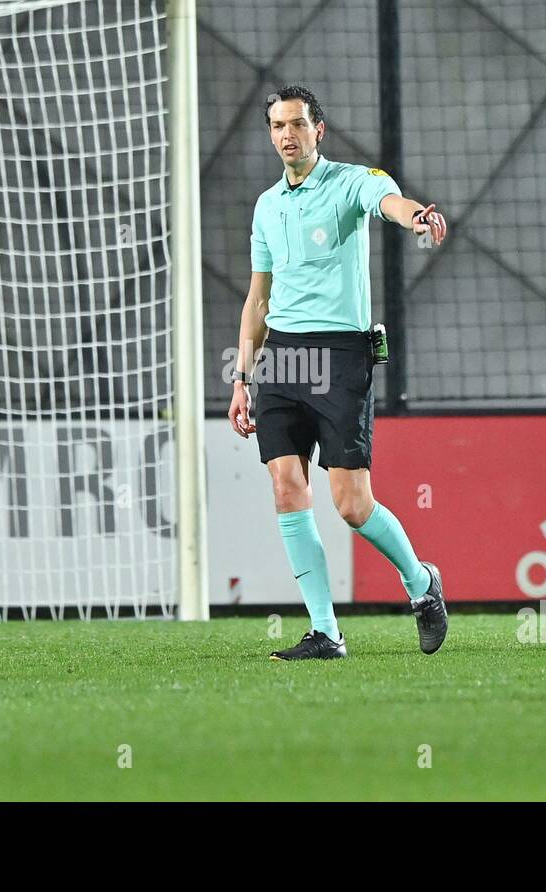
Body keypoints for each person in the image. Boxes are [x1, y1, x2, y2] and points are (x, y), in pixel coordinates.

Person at [228, 84, 451, 660]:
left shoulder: (350, 181)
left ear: (317, 130)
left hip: (339, 356)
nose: (286, 135)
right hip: (280, 356)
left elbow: (390, 202)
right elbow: (258, 298)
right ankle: (326, 631)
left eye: (296, 124)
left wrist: (417, 217)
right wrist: (241, 376)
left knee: (351, 505)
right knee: (286, 488)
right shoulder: (266, 206)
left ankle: (422, 584)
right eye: (277, 125)